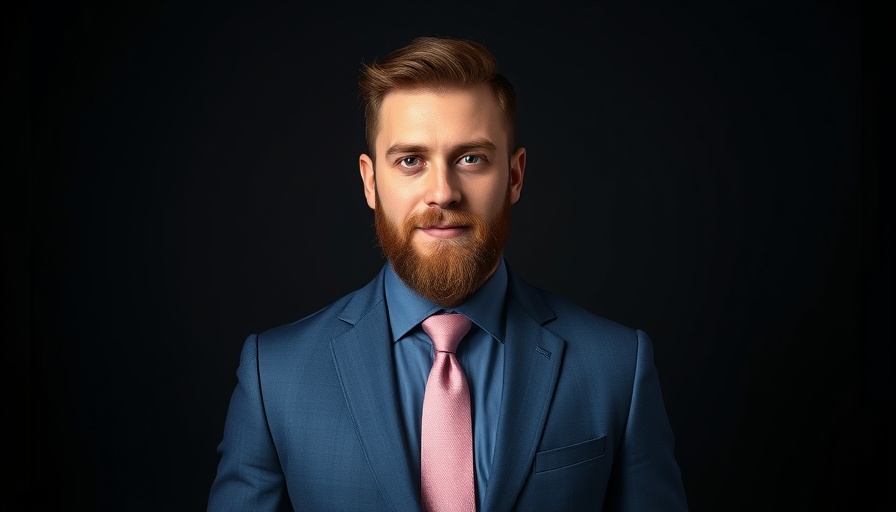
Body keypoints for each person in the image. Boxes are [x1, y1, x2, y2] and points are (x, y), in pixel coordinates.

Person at [208, 36, 688, 511]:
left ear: (515, 176)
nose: (443, 192)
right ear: (370, 182)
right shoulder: (275, 376)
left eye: (471, 158)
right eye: (411, 160)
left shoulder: (617, 367)